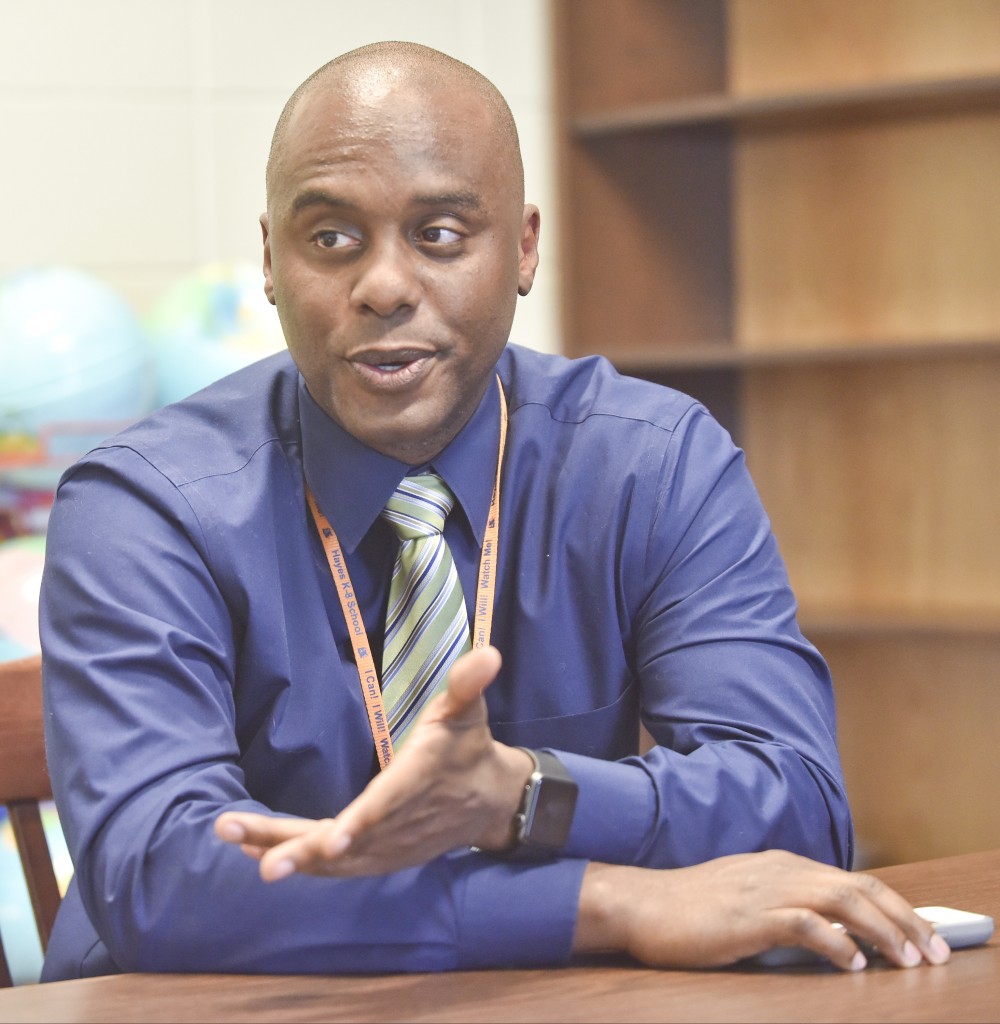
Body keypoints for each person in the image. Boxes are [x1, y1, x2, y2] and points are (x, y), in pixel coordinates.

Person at [38, 41, 949, 981]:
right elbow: (162, 878)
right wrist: (606, 900)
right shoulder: (143, 507)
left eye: (439, 234)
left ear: (522, 248)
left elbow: (796, 801)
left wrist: (524, 795)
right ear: (270, 260)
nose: (384, 286)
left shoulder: (653, 464)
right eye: (332, 239)